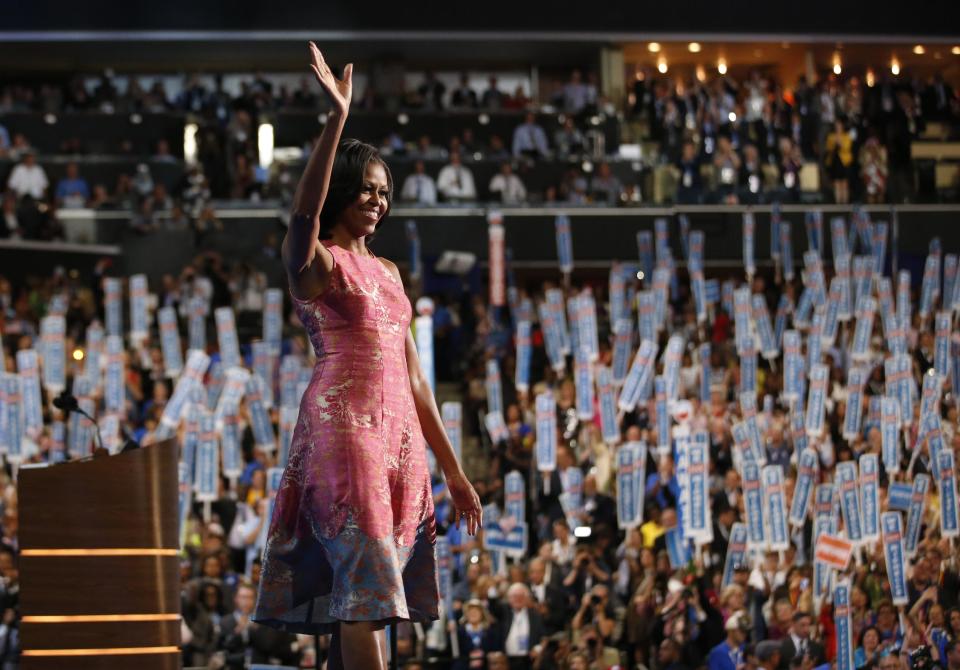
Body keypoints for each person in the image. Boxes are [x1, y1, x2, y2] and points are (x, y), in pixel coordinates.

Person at [251, 43, 483, 670]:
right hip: (344, 429)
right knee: (364, 590)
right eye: (367, 189)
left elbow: (417, 383)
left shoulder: (388, 272)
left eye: (386, 192)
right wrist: (336, 122)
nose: (379, 200)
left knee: (369, 601)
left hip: (398, 440)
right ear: (343, 189)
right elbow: (302, 214)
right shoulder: (319, 264)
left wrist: (454, 472)